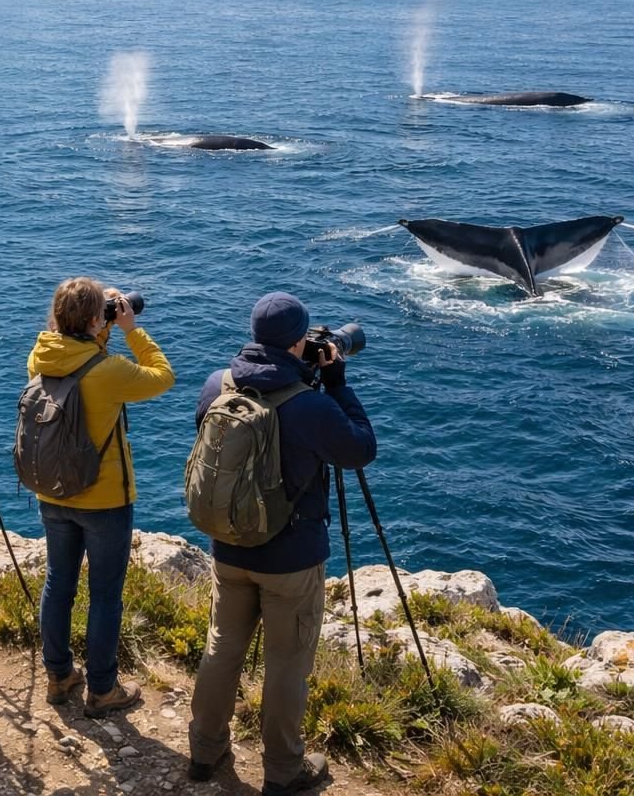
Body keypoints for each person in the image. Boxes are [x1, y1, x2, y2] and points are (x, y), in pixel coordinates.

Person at [187, 292, 376, 795]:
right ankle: (284, 770)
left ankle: (204, 752)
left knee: (222, 649)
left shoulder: (216, 385)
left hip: (227, 545)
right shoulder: (310, 405)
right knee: (287, 666)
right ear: (300, 342)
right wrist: (335, 382)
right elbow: (360, 449)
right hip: (290, 558)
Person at [27, 277, 174, 716]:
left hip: (53, 492)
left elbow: (80, 352)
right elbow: (162, 375)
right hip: (104, 501)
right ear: (96, 319)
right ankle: (103, 689)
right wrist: (130, 328)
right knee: (105, 595)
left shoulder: (40, 358)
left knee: (59, 584)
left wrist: (98, 321)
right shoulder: (108, 373)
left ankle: (58, 676)